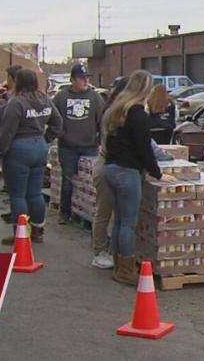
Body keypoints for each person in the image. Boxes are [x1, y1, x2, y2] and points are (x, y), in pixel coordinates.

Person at [103, 70, 163, 285]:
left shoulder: (118, 109)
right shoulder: (138, 114)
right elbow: (144, 147)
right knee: (129, 222)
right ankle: (126, 270)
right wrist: (157, 172)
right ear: (145, 89)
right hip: (127, 171)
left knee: (119, 219)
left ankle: (119, 263)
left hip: (111, 168)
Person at [0, 69, 62, 245]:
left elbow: (7, 131)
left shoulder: (16, 103)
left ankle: (21, 234)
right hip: (39, 148)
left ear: (18, 82)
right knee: (34, 193)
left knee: (17, 195)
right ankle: (38, 230)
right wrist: (45, 139)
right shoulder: (44, 99)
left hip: (18, 149)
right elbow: (58, 122)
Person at [52, 64, 104, 225]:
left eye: (86, 78)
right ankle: (65, 212)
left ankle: (87, 214)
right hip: (67, 147)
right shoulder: (61, 97)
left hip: (89, 146)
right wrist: (60, 134)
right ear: (73, 80)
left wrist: (101, 141)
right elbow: (53, 118)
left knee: (89, 182)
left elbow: (102, 121)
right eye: (82, 78)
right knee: (68, 181)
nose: (85, 81)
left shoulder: (95, 97)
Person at [90, 76, 129, 270]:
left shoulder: (117, 111)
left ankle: (112, 250)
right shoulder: (113, 113)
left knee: (115, 213)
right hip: (107, 164)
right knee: (104, 210)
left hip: (112, 164)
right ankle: (99, 252)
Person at [0, 65, 22, 224]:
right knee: (14, 187)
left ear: (13, 79)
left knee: (18, 188)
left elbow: (8, 127)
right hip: (25, 145)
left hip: (15, 145)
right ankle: (14, 212)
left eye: (8, 78)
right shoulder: (10, 96)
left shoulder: (16, 99)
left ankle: (19, 219)